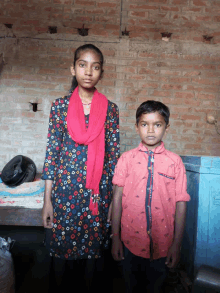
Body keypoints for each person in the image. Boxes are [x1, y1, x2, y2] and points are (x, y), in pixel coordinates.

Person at [41, 44, 120, 292]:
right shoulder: (60, 107)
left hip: (97, 195)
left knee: (93, 258)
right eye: (82, 65)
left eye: (95, 67)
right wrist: (47, 200)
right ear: (73, 69)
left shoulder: (111, 110)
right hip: (64, 195)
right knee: (61, 255)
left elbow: (114, 159)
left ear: (101, 73)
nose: (88, 72)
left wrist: (113, 202)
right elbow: (52, 154)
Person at [111, 100, 190, 293]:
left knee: (156, 288)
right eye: (145, 124)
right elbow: (117, 199)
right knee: (130, 287)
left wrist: (176, 245)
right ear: (137, 127)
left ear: (166, 128)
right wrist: (115, 238)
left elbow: (181, 203)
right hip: (129, 243)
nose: (151, 130)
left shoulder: (175, 162)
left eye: (157, 124)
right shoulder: (126, 160)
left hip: (163, 245)